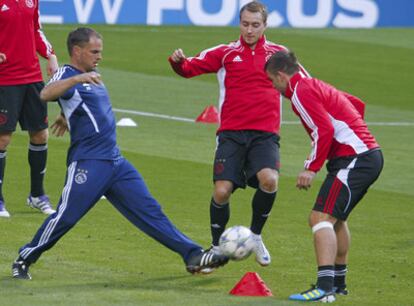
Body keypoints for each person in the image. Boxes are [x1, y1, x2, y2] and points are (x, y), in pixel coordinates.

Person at [11, 27, 228, 280]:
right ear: (77, 51)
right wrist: (74, 83)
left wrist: (66, 113)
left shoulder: (93, 73)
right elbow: (46, 93)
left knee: (150, 210)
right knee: (65, 218)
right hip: (89, 163)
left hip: (115, 162)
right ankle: (24, 258)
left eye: (100, 51)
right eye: (94, 51)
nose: (99, 56)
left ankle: (192, 254)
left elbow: (83, 102)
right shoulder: (68, 73)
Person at [169, 1, 308, 269]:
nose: (250, 30)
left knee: (269, 180)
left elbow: (306, 84)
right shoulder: (225, 53)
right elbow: (189, 69)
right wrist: (177, 62)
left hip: (265, 134)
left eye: (256, 25)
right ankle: (216, 248)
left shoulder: (280, 54)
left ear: (265, 25)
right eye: (245, 24)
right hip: (231, 134)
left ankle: (255, 236)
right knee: (221, 191)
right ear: (239, 23)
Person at [265, 50, 383, 303]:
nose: (273, 87)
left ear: (281, 75)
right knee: (336, 219)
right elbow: (356, 103)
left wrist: (311, 167)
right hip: (363, 155)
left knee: (319, 218)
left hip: (355, 159)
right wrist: (354, 134)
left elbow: (324, 129)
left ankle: (324, 287)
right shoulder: (314, 84)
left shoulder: (300, 93)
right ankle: (338, 284)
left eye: (272, 80)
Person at [0, 0, 58, 217]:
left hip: (32, 77)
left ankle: (36, 195)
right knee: (3, 138)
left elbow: (35, 29)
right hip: (4, 79)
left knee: (40, 135)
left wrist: (50, 55)